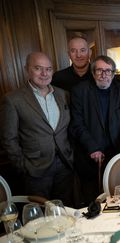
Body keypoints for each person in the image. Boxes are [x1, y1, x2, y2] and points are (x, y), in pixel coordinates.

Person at [0, 52, 74, 206]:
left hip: (65, 165)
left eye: (48, 69)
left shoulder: (63, 95)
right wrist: (23, 166)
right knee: (39, 218)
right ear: (27, 69)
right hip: (35, 169)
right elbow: (9, 139)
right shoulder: (13, 99)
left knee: (65, 210)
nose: (44, 74)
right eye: (38, 68)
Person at [69, 55, 120, 204]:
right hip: (90, 155)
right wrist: (92, 147)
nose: (104, 75)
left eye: (108, 71)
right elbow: (77, 124)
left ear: (113, 74)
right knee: (93, 201)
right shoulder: (79, 91)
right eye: (100, 70)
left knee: (118, 198)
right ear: (93, 73)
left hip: (117, 153)